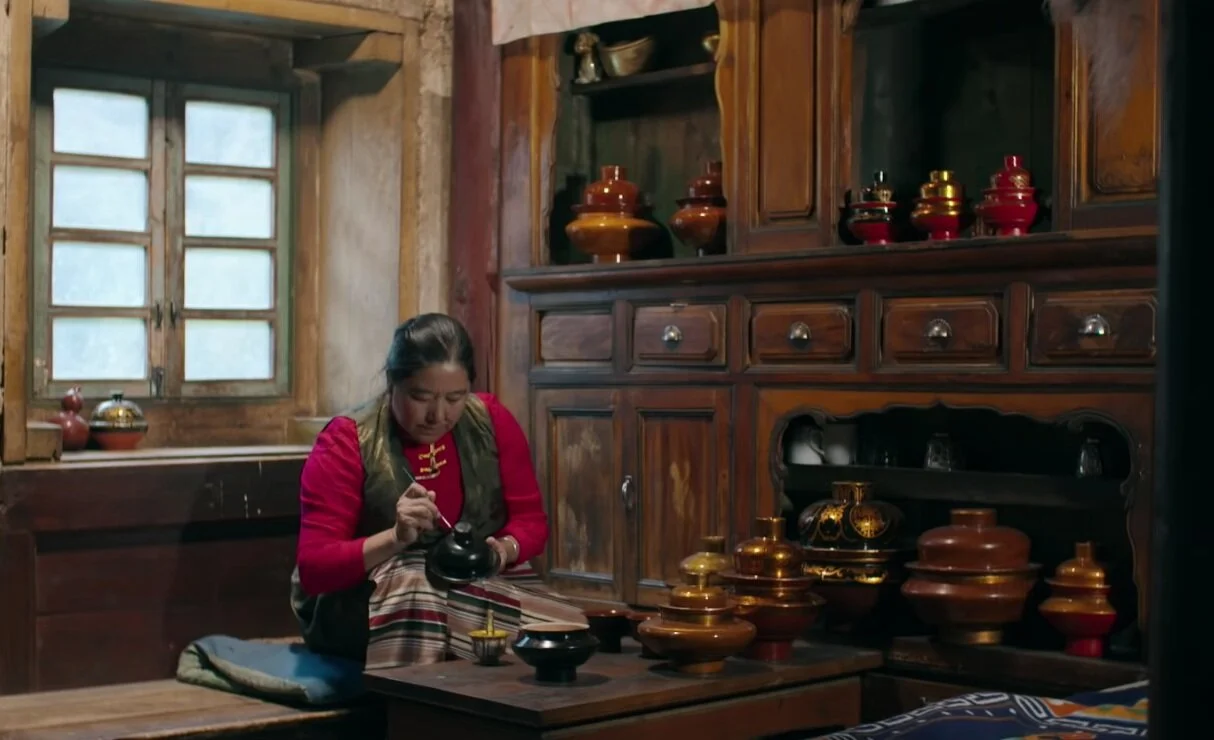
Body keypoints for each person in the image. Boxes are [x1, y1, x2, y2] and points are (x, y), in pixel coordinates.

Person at [290, 313, 585, 669]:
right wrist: (394, 538)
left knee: (570, 626)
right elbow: (315, 569)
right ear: (392, 382)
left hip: (470, 586)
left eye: (455, 397)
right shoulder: (346, 440)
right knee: (414, 583)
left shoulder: (490, 420)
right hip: (364, 603)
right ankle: (417, 700)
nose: (438, 415)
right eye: (421, 396)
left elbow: (531, 523)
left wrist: (500, 551)